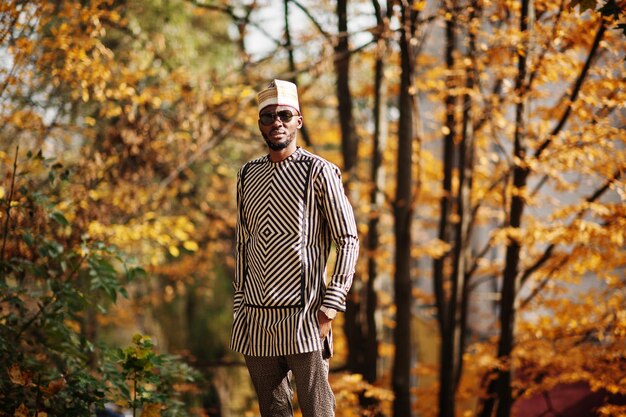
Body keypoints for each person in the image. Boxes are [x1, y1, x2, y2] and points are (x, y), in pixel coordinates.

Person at [230, 79, 359, 417]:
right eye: (268, 117)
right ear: (260, 123)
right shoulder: (246, 175)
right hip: (256, 318)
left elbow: (347, 239)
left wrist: (330, 306)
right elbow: (243, 242)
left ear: (298, 120)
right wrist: (239, 304)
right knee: (273, 412)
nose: (277, 123)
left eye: (285, 115)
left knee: (318, 412)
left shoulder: (320, 171)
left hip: (306, 316)